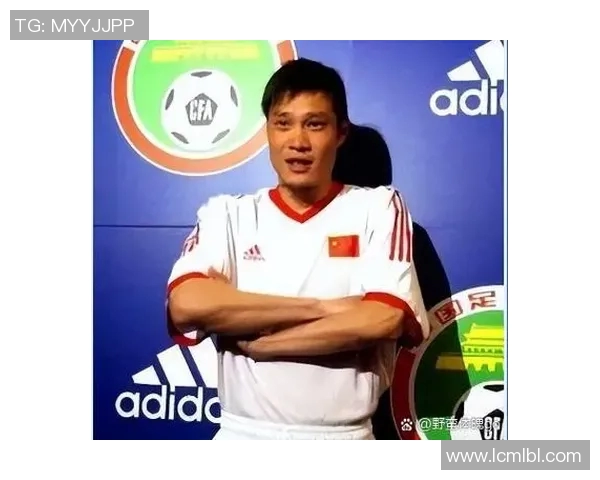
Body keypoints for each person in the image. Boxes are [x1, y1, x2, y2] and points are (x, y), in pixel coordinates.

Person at [166, 58, 430, 440]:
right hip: (243, 437)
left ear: (340, 133)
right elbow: (188, 305)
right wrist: (324, 307)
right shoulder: (227, 213)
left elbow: (382, 318)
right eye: (283, 123)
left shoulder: (380, 207)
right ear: (268, 132)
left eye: (315, 124)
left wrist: (268, 345)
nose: (298, 142)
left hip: (344, 440)